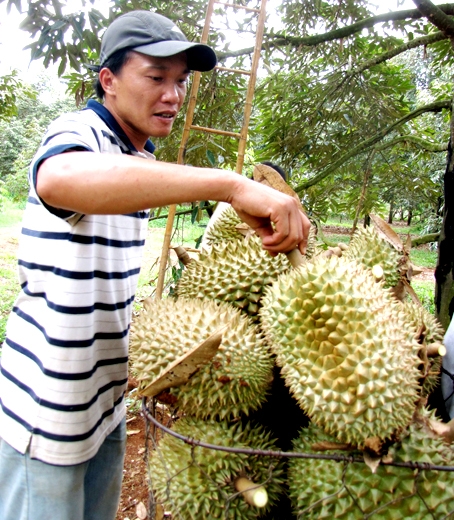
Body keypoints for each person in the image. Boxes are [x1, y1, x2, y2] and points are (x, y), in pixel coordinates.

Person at [0, 10, 310, 520]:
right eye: (155, 77)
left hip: (103, 405)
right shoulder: (79, 134)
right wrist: (228, 185)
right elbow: (58, 179)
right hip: (46, 409)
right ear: (109, 81)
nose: (172, 95)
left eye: (180, 82)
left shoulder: (139, 163)